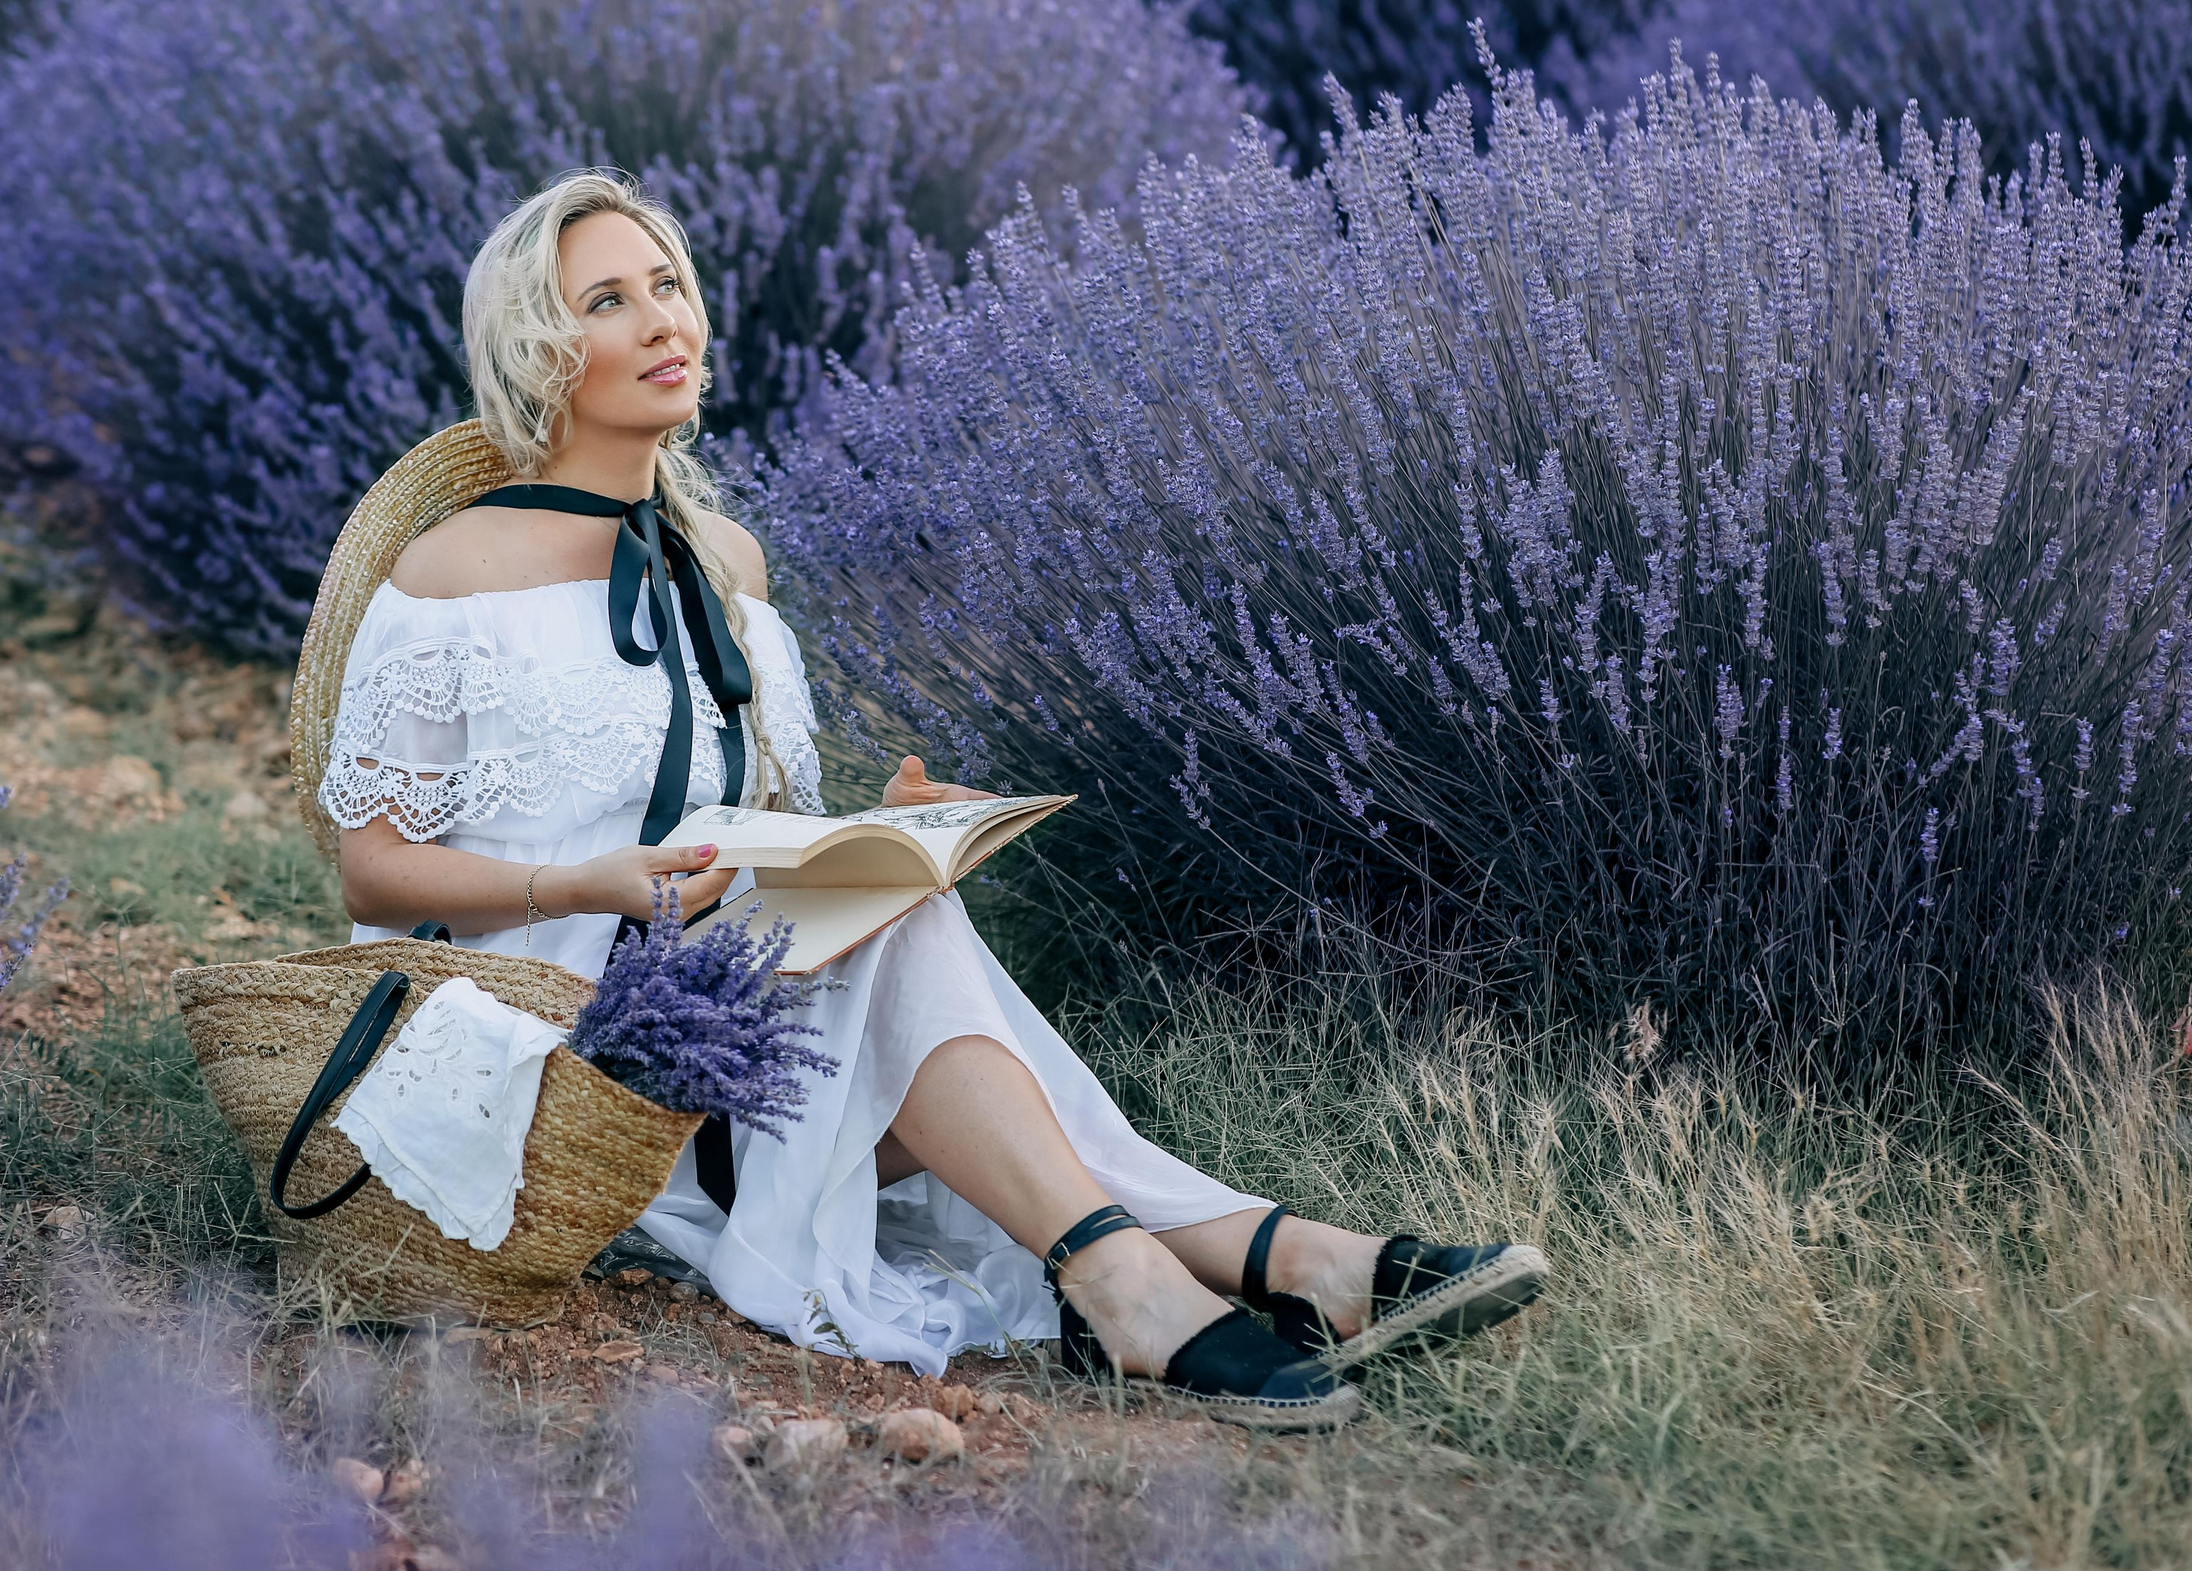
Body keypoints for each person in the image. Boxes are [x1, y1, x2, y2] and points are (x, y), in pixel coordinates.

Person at [317, 170, 1545, 1428]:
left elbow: (745, 825)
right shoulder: (454, 571)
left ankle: (1180, 1274)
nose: (660, 324)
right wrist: (578, 884)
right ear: (537, 347)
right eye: (609, 301)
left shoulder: (727, 565)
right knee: (892, 943)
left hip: (721, 1015)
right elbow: (371, 871)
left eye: (669, 286)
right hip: (541, 1041)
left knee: (890, 906)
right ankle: (1263, 1261)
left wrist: (883, 825)